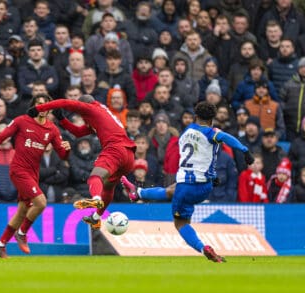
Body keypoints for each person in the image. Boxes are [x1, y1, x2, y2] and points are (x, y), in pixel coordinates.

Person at [121, 102, 255, 262]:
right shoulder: (211, 133)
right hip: (205, 187)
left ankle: (202, 247)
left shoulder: (187, 131)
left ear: (196, 117)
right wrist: (245, 150)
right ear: (212, 119)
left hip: (186, 186)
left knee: (180, 223)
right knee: (171, 189)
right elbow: (224, 138)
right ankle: (139, 193)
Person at [27, 94, 135, 230]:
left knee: (95, 177)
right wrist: (61, 119)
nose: (81, 117)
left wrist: (39, 108)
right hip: (129, 155)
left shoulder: (90, 109)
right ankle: (96, 218)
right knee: (108, 186)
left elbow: (64, 101)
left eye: (81, 113)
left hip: (115, 149)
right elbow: (78, 132)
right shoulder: (101, 113)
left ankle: (96, 199)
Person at [0, 94, 70, 258]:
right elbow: (1, 137)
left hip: (34, 173)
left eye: (46, 105)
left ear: (50, 109)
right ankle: (22, 232)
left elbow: (62, 155)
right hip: (18, 170)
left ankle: (0, 244)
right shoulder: (22, 121)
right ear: (34, 107)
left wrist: (67, 149)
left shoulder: (52, 129)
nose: (42, 108)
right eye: (39, 104)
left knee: (22, 211)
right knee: (40, 202)